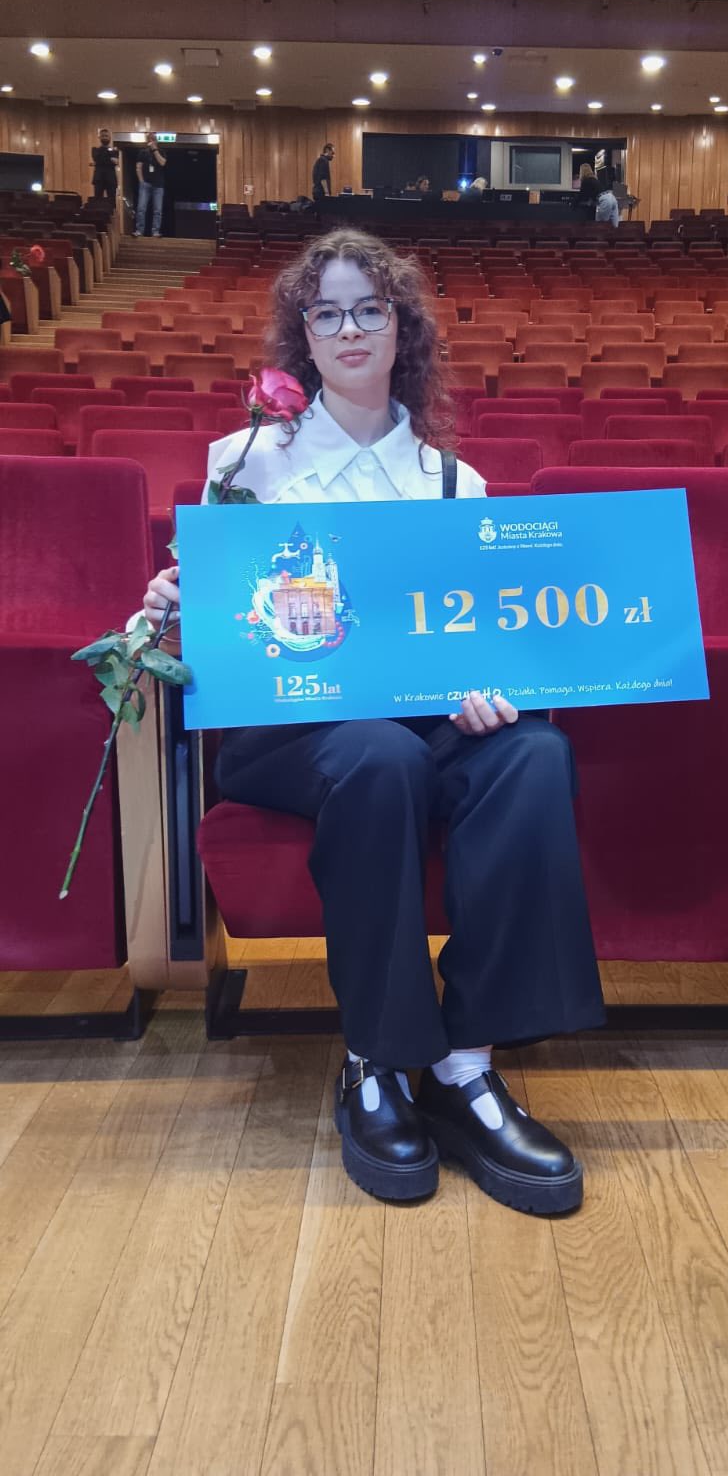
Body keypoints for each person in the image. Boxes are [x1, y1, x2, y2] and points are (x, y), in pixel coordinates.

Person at [139, 228, 606, 1216]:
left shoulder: (453, 481)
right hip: (293, 735)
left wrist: (491, 687)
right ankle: (378, 1058)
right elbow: (228, 622)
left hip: (422, 721)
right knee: (378, 755)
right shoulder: (247, 461)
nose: (349, 328)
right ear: (303, 335)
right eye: (327, 312)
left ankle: (466, 1066)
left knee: (531, 753)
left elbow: (480, 636)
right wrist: (179, 600)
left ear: (401, 328)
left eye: (369, 309)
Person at [133, 132, 167, 237]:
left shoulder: (161, 151)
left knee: (157, 210)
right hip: (145, 184)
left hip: (158, 185)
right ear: (147, 141)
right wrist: (141, 181)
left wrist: (155, 150)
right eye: (150, 139)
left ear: (156, 141)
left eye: (153, 139)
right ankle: (139, 231)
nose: (151, 141)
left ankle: (155, 231)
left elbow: (162, 163)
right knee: (141, 209)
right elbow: (138, 167)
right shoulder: (142, 152)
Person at [90, 127, 119, 204]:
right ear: (99, 137)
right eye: (103, 136)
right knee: (97, 201)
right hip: (98, 178)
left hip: (111, 178)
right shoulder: (95, 149)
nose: (105, 138)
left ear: (110, 138)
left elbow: (115, 161)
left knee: (112, 201)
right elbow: (97, 158)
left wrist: (103, 160)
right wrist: (110, 158)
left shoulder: (115, 150)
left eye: (106, 136)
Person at [593, 149, 620, 228]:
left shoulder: (599, 172)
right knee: (614, 227)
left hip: (604, 198)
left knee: (601, 226)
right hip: (612, 197)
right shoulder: (611, 170)